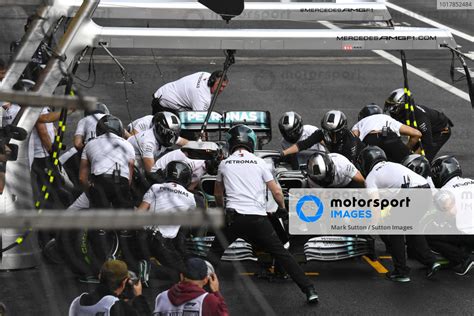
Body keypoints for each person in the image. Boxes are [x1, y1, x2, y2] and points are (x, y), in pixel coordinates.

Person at [206, 124, 319, 304]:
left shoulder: (224, 164)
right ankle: (309, 289)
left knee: (214, 254)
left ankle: (201, 291)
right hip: (258, 219)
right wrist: (282, 208)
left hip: (233, 218)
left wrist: (222, 211)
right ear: (251, 142)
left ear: (231, 143)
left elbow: (218, 194)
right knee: (282, 253)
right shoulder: (259, 162)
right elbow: (276, 192)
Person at [358, 146, 441, 282]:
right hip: (425, 191)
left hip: (411, 194)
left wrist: (372, 225)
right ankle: (431, 261)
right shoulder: (392, 165)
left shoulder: (372, 176)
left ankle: (401, 271)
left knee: (395, 230)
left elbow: (375, 204)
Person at [137, 161, 196, 282]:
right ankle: (150, 270)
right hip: (163, 242)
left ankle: (141, 264)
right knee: (183, 275)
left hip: (143, 237)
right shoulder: (190, 198)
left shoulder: (155, 187)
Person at [427, 156, 474, 275]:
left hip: (469, 235)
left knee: (430, 234)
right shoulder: (471, 182)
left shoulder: (445, 192)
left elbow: (450, 214)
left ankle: (463, 258)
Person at [79, 115, 135, 209]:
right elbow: (129, 177)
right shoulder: (128, 145)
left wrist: (91, 192)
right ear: (120, 130)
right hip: (121, 182)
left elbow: (82, 178)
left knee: (98, 221)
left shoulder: (90, 144)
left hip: (100, 182)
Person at [384, 88, 453, 162]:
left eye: (393, 107)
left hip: (439, 132)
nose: (390, 110)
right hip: (422, 131)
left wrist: (410, 160)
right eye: (389, 106)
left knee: (421, 161)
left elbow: (427, 143)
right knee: (408, 153)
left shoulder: (420, 118)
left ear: (403, 106)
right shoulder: (401, 113)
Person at [281, 110, 365, 165]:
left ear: (341, 131)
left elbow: (347, 167)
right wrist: (283, 153)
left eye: (332, 133)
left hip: (358, 163)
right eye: (326, 131)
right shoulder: (322, 133)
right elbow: (303, 144)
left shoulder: (350, 142)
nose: (328, 135)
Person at [69, 259, 150, 315]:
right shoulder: (115, 306)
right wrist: (139, 296)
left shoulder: (76, 303)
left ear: (100, 276)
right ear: (124, 282)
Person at [153, 257, 228, 316]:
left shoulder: (161, 297)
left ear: (181, 276)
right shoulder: (208, 300)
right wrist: (216, 292)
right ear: (205, 280)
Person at [352, 104, 421, 162]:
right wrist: (404, 150)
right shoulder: (386, 118)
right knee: (407, 162)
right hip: (390, 137)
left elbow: (353, 141)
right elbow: (417, 134)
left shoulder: (359, 123)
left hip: (370, 140)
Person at [151, 71, 228, 115]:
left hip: (164, 91)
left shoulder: (206, 75)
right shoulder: (203, 97)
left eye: (223, 86)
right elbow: (199, 121)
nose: (221, 89)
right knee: (189, 136)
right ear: (212, 82)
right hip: (164, 103)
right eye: (219, 85)